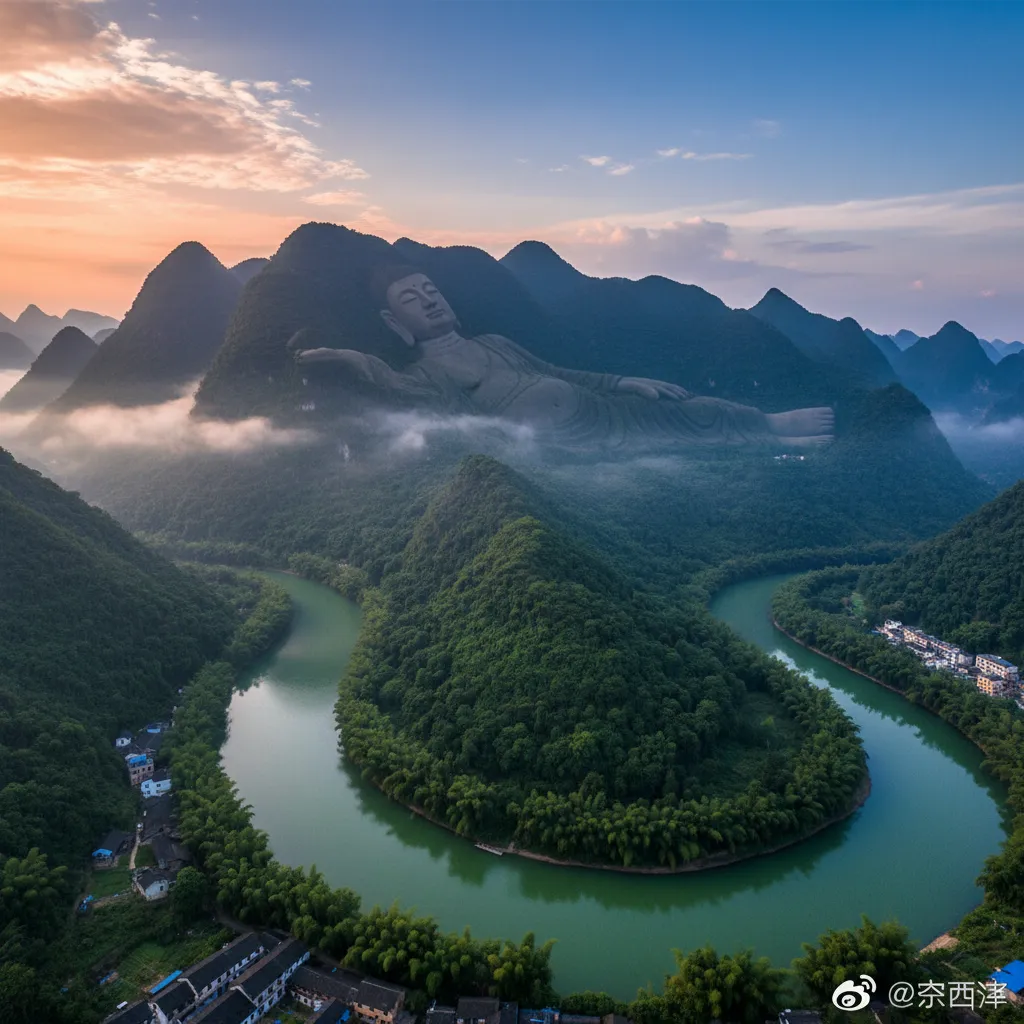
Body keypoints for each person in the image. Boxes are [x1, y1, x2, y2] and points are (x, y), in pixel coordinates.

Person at [292, 264, 834, 450]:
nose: (428, 300)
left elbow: (559, 374)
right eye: (410, 300)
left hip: (602, 411)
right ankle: (762, 437)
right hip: (564, 447)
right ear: (394, 324)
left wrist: (625, 380)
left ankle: (765, 422)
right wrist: (344, 357)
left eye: (430, 289)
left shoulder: (495, 343)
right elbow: (388, 385)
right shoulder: (425, 372)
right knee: (673, 445)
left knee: (687, 410)